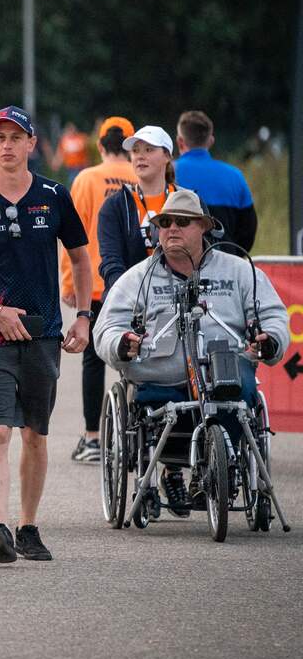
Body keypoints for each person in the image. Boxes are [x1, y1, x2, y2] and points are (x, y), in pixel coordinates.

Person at [0, 106, 92, 564]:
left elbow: (80, 259)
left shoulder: (54, 195)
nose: (7, 145)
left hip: (43, 334)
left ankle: (28, 526)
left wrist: (83, 316)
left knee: (34, 434)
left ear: (31, 144)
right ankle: (0, 527)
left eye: (16, 137)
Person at [94, 190, 288, 510]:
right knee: (151, 395)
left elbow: (273, 316)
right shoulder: (137, 279)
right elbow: (107, 327)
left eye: (182, 222)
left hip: (225, 373)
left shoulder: (240, 271)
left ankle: (220, 468)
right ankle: (167, 474)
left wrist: (271, 341)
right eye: (165, 222)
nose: (172, 228)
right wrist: (121, 343)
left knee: (239, 386)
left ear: (204, 227)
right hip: (160, 379)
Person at [60, 117, 139, 463]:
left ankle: (92, 437)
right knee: (139, 359)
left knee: (92, 360)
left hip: (96, 285)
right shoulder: (142, 176)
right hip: (137, 285)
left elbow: (71, 235)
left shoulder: (87, 179)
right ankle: (139, 435)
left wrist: (68, 282)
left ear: (100, 145)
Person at [98, 125, 180, 294]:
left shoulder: (188, 201)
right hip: (130, 297)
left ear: (167, 156)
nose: (140, 156)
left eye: (149, 150)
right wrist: (128, 295)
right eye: (135, 151)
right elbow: (111, 262)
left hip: (178, 296)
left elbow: (203, 255)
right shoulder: (114, 206)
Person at [175, 110, 257, 253]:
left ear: (180, 142)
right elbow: (248, 231)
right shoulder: (235, 176)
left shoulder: (168, 173)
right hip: (226, 261)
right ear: (210, 141)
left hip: (180, 260)